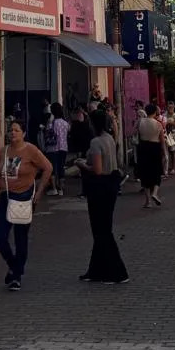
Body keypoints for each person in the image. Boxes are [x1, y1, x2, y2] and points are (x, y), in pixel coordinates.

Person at [0, 119, 52, 291]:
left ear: (23, 133)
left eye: (16, 130)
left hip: (23, 199)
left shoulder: (31, 150)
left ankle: (16, 275)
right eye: (11, 130)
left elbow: (48, 168)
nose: (13, 133)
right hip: (5, 198)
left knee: (20, 238)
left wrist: (38, 194)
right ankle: (13, 264)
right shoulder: (4, 151)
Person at [74, 109, 129, 284]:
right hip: (110, 186)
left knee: (102, 230)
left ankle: (118, 272)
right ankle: (95, 270)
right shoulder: (110, 139)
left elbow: (96, 169)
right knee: (100, 230)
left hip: (100, 188)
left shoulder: (96, 142)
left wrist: (82, 164)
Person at [136, 103, 165, 207]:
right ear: (154, 112)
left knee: (145, 174)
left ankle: (148, 201)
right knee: (156, 172)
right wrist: (164, 153)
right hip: (155, 148)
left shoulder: (140, 122)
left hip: (143, 147)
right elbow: (162, 141)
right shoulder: (158, 124)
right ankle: (155, 193)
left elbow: (136, 133)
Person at [43, 102, 71, 196]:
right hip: (63, 147)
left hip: (52, 148)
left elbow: (47, 133)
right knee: (61, 167)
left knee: (52, 168)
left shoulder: (51, 123)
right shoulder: (65, 123)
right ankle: (61, 189)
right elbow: (68, 132)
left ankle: (54, 188)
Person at [164, 101, 175, 176]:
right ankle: (166, 168)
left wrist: (170, 123)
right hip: (165, 135)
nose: (170, 109)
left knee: (173, 151)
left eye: (172, 107)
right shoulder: (164, 115)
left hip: (173, 136)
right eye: (169, 107)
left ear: (174, 108)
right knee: (165, 152)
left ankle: (173, 168)